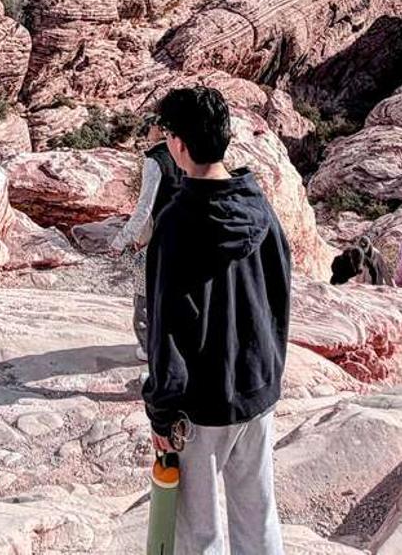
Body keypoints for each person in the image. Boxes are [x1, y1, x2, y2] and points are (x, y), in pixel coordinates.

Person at [144, 86, 290, 555]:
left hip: (201, 407)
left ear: (180, 145)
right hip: (256, 389)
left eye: (169, 134)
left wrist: (161, 411)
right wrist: (270, 371)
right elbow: (280, 292)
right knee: (259, 517)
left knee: (199, 534)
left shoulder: (176, 223)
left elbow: (166, 325)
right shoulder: (259, 206)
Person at [110, 116, 181, 360]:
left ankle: (148, 348)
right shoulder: (186, 154)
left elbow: (144, 208)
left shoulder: (155, 160)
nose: (147, 131)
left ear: (161, 130)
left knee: (144, 294)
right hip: (183, 234)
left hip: (158, 238)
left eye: (150, 127)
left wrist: (120, 241)